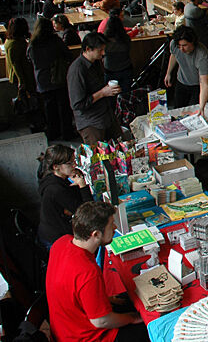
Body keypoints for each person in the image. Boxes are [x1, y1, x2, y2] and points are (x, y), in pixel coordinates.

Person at [46, 201, 146, 342]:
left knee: (127, 300)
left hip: (64, 327)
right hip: (84, 336)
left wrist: (104, 300)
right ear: (96, 234)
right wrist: (132, 318)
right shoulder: (88, 272)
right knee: (148, 325)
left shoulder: (61, 242)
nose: (115, 227)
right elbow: (101, 321)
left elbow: (72, 289)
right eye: (111, 225)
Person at [67, 32, 122, 145]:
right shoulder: (77, 70)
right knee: (99, 154)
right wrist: (102, 93)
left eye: (104, 49)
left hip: (106, 116)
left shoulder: (96, 62)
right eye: (100, 50)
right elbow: (77, 104)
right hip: (91, 123)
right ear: (88, 49)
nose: (103, 53)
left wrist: (109, 90)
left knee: (122, 146)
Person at [27, 17, 74, 140]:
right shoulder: (55, 41)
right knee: (64, 107)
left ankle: (53, 132)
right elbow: (68, 54)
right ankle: (67, 132)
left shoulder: (33, 44)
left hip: (42, 80)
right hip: (58, 78)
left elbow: (29, 59)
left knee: (49, 108)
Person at [37, 144, 91, 247]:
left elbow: (76, 201)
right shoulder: (56, 189)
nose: (75, 165)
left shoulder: (56, 178)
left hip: (56, 229)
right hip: (56, 239)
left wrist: (77, 179)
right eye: (70, 163)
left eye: (74, 161)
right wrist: (82, 185)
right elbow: (87, 212)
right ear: (55, 167)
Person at [165, 25, 208, 115]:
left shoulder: (202, 54)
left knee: (194, 112)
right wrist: (168, 73)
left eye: (184, 45)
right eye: (179, 46)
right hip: (181, 82)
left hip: (198, 86)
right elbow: (174, 55)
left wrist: (201, 108)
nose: (181, 49)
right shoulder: (174, 44)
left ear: (193, 42)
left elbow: (204, 84)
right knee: (178, 111)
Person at [5, 17, 36, 99]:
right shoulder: (16, 44)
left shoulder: (9, 41)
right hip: (23, 77)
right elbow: (16, 64)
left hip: (17, 76)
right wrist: (21, 81)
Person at [102, 13, 134, 93]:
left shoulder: (105, 41)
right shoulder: (125, 39)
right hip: (126, 69)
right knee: (126, 93)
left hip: (110, 70)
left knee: (111, 93)